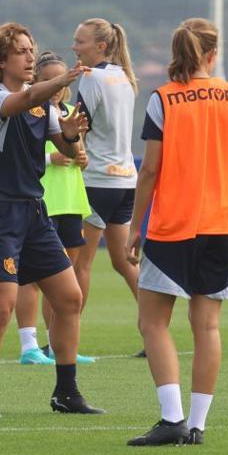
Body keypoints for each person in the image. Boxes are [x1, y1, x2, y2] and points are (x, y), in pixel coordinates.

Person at [125, 19, 228, 446]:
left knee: (152, 322)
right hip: (223, 222)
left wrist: (135, 226)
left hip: (176, 222)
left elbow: (150, 169)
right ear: (212, 54)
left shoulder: (164, 98)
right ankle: (197, 426)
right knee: (207, 326)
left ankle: (172, 419)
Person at [0, 22, 103, 419]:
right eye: (22, 51)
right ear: (0, 61)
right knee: (0, 311)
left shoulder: (43, 106)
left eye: (31, 50)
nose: (30, 56)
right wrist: (62, 79)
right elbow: (23, 100)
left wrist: (72, 135)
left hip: (34, 213)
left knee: (70, 298)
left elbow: (67, 148)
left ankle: (66, 393)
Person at [69, 18, 144, 357]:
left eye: (80, 42)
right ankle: (154, 329)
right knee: (123, 261)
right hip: (126, 180)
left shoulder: (90, 77)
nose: (74, 47)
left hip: (98, 180)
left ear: (100, 46)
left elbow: (78, 127)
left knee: (80, 264)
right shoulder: (125, 76)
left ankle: (66, 341)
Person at [15, 51, 93, 366]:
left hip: (71, 200)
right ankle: (29, 346)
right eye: (49, 80)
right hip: (44, 200)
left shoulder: (72, 113)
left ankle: (57, 346)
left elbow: (79, 155)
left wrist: (81, 156)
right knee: (32, 278)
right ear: (37, 81)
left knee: (63, 279)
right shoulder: (27, 110)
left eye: (61, 80)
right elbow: (21, 155)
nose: (57, 87)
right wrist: (51, 158)